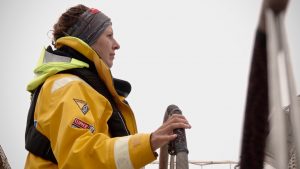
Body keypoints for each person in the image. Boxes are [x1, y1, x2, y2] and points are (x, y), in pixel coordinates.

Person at [24, 4, 191, 169]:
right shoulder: (69, 87)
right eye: (109, 35)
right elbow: (79, 156)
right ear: (87, 40)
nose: (116, 44)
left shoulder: (84, 87)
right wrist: (150, 141)